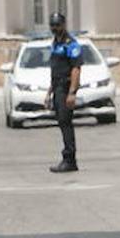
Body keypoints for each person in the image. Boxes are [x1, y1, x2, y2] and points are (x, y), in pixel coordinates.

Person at [46, 11, 83, 173]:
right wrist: (49, 92)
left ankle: (70, 159)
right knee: (61, 122)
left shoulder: (71, 44)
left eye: (57, 25)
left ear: (64, 25)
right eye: (52, 25)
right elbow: (55, 71)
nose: (55, 28)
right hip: (57, 88)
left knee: (66, 122)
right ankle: (67, 157)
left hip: (67, 88)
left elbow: (76, 69)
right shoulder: (55, 44)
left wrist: (72, 92)